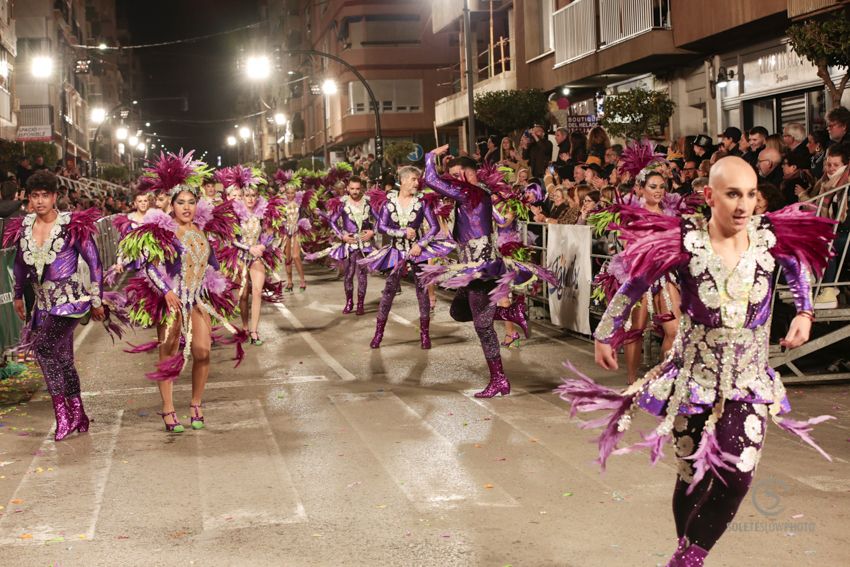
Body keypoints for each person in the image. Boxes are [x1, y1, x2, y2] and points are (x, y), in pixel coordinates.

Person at [557, 156, 835, 567]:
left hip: (748, 380)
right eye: (732, 194)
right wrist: (606, 331)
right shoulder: (685, 242)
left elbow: (798, 271)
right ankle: (690, 552)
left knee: (737, 476)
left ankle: (685, 561)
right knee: (692, 477)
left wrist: (804, 313)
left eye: (750, 194)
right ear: (709, 196)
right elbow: (636, 281)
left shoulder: (769, 237)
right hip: (693, 380)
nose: (743, 205)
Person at [119, 151, 241, 432]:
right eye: (181, 203)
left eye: (191, 202)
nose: (186, 207)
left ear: (197, 205)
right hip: (172, 302)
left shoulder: (201, 232)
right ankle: (168, 408)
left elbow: (212, 267)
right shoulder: (163, 231)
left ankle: (196, 403)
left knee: (203, 351)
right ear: (171, 206)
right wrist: (165, 291)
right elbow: (148, 266)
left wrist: (218, 286)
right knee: (169, 354)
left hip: (198, 300)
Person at [421, 146, 556, 397]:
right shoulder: (477, 193)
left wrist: (430, 157)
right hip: (473, 267)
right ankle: (509, 311)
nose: (450, 180)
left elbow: (430, 180)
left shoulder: (471, 192)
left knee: (483, 327)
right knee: (458, 312)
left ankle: (499, 380)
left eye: (453, 174)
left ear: (465, 175)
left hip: (481, 269)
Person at [2, 170, 105, 441]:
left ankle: (62, 414)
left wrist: (97, 299)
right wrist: (16, 295)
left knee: (44, 349)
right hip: (43, 304)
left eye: (44, 195)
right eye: (34, 196)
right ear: (28, 199)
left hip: (70, 301)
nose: (39, 201)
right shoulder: (23, 227)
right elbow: (20, 264)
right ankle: (79, 413)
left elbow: (94, 262)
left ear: (55, 196)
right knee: (64, 359)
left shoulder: (72, 224)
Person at [361, 166, 455, 349]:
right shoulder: (389, 202)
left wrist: (420, 245)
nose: (416, 183)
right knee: (389, 292)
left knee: (422, 292)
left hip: (418, 253)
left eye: (417, 179)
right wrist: (402, 232)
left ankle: (425, 335)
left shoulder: (422, 202)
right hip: (396, 252)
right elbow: (381, 227)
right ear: (402, 181)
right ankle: (378, 334)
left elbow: (434, 228)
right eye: (413, 179)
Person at [215, 165, 282, 345]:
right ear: (242, 197)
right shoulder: (235, 214)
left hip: (258, 256)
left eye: (253, 195)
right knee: (243, 294)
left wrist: (262, 245)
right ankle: (245, 326)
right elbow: (232, 238)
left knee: (258, 292)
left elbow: (270, 234)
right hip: (239, 255)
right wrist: (248, 248)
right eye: (247, 196)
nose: (250, 199)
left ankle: (254, 331)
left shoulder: (263, 212)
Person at [307, 177, 376, 315]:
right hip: (348, 245)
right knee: (348, 275)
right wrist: (342, 236)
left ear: (361, 188)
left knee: (362, 275)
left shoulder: (368, 202)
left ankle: (361, 304)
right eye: (352, 189)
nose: (355, 192)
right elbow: (332, 221)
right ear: (348, 189)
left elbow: (380, 219)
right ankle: (349, 302)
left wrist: (373, 231)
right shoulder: (342, 204)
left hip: (365, 245)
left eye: (357, 189)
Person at [280, 180, 312, 292]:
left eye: (292, 192)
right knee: (287, 258)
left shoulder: (299, 203)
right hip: (285, 233)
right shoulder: (281, 204)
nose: (290, 195)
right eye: (288, 193)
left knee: (296, 256)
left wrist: (302, 225)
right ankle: (289, 282)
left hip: (296, 232)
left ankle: (302, 280)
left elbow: (306, 215)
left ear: (295, 193)